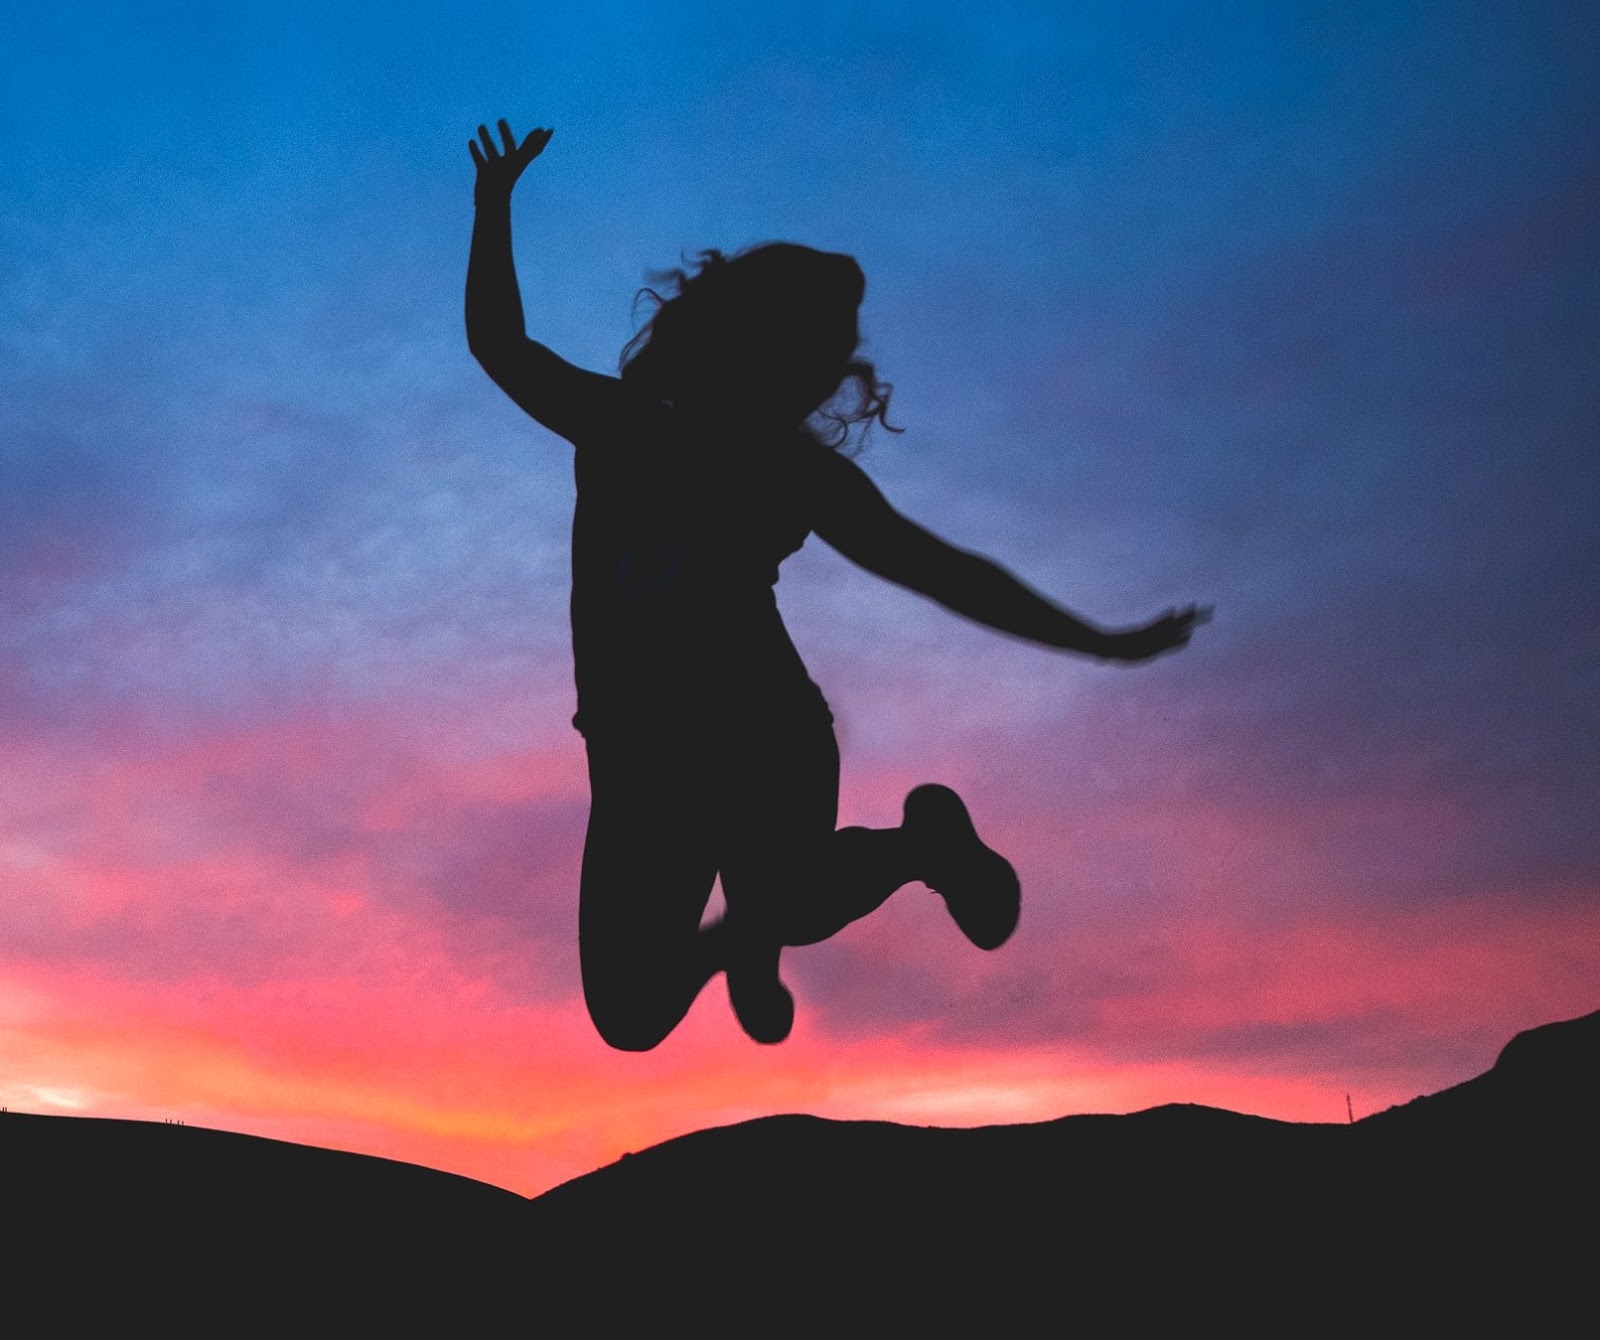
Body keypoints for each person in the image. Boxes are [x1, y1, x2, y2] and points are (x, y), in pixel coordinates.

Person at [466, 120, 1209, 1050]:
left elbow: (941, 571)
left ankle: (914, 851)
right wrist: (492, 206)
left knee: (792, 896)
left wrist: (1101, 641)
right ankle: (746, 939)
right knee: (630, 1013)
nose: (822, 381)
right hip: (635, 749)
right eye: (813, 357)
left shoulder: (795, 472)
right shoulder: (619, 421)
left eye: (825, 362)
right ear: (749, 344)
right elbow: (499, 344)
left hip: (758, 725)